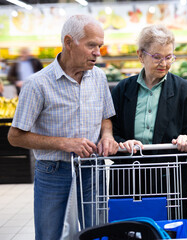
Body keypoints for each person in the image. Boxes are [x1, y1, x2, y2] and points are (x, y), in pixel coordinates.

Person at [7, 15, 119, 240]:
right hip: (53, 172)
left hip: (91, 169)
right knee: (50, 235)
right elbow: (15, 136)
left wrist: (107, 135)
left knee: (98, 233)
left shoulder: (98, 77)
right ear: (69, 42)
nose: (98, 52)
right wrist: (65, 143)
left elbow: (106, 117)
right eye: (91, 45)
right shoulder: (37, 84)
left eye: (100, 45)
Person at [110, 24, 187, 219]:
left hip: (169, 183)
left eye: (169, 57)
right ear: (140, 55)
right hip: (128, 180)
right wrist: (122, 142)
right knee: (127, 230)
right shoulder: (122, 90)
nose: (164, 63)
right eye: (157, 57)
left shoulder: (185, 91)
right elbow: (111, 133)